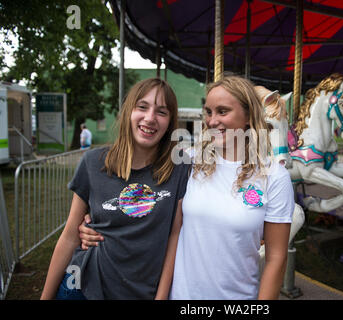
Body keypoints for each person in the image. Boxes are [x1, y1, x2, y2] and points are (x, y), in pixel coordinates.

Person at [80, 76, 294, 300]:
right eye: (208, 112)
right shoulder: (188, 163)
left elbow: (276, 258)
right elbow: (140, 197)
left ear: (248, 116)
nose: (212, 121)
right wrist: (94, 222)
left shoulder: (274, 177)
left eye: (222, 111)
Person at [40, 78, 190, 300]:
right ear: (129, 111)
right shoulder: (93, 162)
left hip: (141, 293)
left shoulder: (178, 168)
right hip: (82, 288)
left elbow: (174, 238)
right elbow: (70, 235)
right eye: (142, 107)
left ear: (170, 121)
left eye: (161, 112)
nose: (150, 118)